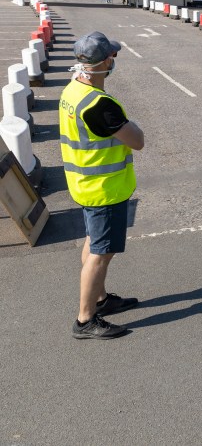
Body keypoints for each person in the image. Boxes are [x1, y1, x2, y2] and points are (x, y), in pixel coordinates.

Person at [59, 32, 145, 340]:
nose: (113, 60)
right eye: (111, 56)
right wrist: (130, 123)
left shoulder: (72, 91)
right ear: (103, 63)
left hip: (84, 184)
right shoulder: (99, 105)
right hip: (104, 188)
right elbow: (137, 141)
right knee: (101, 252)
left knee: (94, 242)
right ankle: (85, 319)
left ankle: (100, 299)